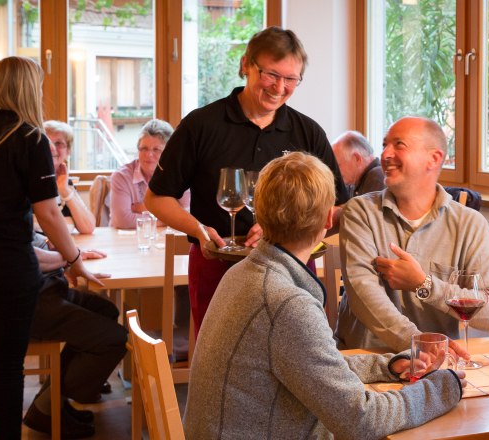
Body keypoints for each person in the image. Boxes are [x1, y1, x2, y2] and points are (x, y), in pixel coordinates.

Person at [185, 152, 465, 439]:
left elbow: (313, 364)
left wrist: (389, 366)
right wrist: (441, 388)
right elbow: (361, 420)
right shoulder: (288, 305)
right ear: (329, 219)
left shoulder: (243, 272)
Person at [145, 26, 350, 334]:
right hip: (217, 265)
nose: (280, 87)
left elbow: (339, 208)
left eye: (291, 78)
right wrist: (198, 230)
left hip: (291, 267)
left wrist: (281, 229)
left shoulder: (308, 132)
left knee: (296, 356)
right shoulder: (201, 125)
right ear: (245, 65)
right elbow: (156, 198)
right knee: (219, 357)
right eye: (271, 74)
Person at [0, 56, 100, 439]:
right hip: (10, 269)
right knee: (6, 369)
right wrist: (75, 260)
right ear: (28, 88)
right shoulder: (29, 138)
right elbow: (47, 211)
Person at [335, 116, 489, 352]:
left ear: (434, 158)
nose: (385, 154)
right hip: (366, 363)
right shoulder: (360, 212)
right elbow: (364, 298)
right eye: (385, 144)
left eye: (399, 145)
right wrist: (420, 344)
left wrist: (424, 284)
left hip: (439, 367)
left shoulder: (470, 224)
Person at [23, 234, 126, 438]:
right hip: (27, 301)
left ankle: (54, 402)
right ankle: (45, 409)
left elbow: (34, 238)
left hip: (46, 286)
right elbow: (26, 256)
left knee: (105, 310)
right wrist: (70, 257)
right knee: (115, 340)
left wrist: (59, 247)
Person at [109, 119, 190, 229]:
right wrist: (170, 218)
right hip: (127, 242)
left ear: (168, 153)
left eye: (156, 149)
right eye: (144, 148)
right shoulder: (121, 177)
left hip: (163, 241)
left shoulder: (180, 175)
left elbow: (187, 216)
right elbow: (122, 221)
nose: (149, 155)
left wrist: (144, 209)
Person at [44, 120, 96, 234]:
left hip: (67, 251)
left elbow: (88, 228)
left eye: (58, 143)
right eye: (46, 142)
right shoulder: (26, 182)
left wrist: (64, 190)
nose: (52, 148)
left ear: (68, 151)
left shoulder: (66, 183)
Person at [332, 130, 385, 196]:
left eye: (338, 165)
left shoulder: (377, 176)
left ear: (357, 158)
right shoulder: (354, 181)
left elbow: (366, 206)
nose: (335, 172)